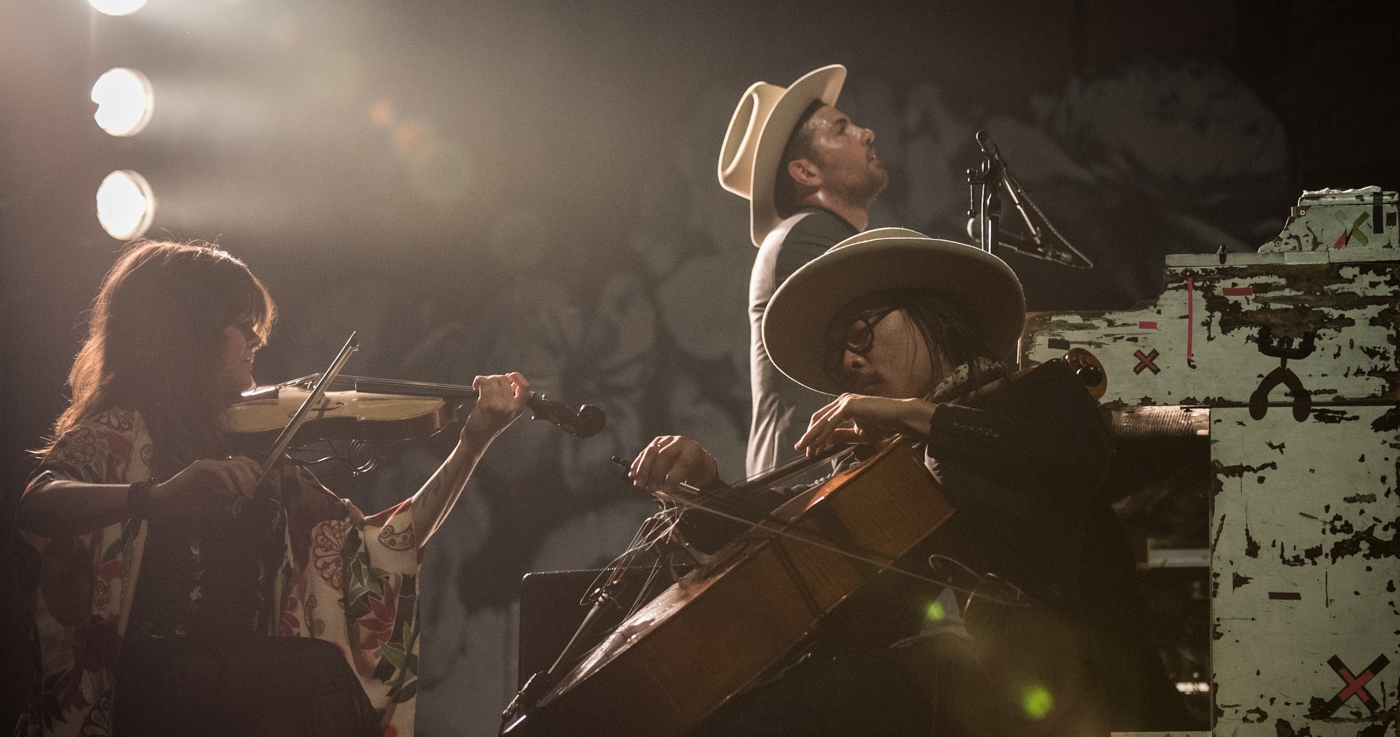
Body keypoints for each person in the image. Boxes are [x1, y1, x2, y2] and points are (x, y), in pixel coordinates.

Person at [630, 229, 1188, 736]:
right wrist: (707, 488)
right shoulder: (893, 470)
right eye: (836, 360)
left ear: (928, 311)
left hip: (1095, 699)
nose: (848, 362)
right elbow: (803, 535)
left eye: (861, 334)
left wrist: (913, 414)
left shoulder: (1043, 395)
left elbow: (1063, 462)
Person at [14, 241, 530, 737]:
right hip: (146, 694)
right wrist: (156, 497)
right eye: (242, 325)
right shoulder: (119, 436)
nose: (257, 341)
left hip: (242, 696)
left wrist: (474, 441)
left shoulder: (263, 455)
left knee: (302, 688)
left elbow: (388, 545)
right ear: (190, 332)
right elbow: (38, 501)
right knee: (313, 676)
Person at [717, 64, 890, 476]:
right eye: (841, 128)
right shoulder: (807, 236)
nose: (866, 133)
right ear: (805, 172)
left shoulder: (812, 234)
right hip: (813, 493)